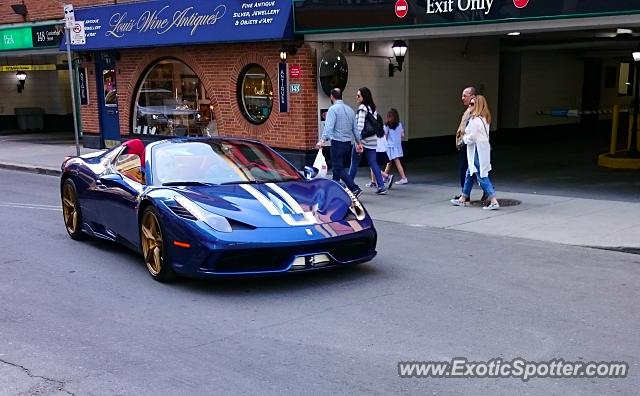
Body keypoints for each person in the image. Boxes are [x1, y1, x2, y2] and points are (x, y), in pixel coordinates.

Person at [451, 95, 500, 210]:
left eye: (472, 104)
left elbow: (472, 136)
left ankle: (493, 200)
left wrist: (463, 140)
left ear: (478, 105)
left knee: (481, 175)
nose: (470, 106)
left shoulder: (475, 120)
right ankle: (463, 197)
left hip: (476, 150)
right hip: (483, 149)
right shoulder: (485, 118)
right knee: (470, 172)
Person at [316, 88, 363, 197]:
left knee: (338, 168)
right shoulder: (350, 110)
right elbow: (355, 129)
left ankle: (354, 188)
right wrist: (359, 143)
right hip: (348, 144)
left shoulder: (333, 109)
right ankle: (334, 191)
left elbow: (329, 127)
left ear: (332, 97)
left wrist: (322, 140)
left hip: (337, 143)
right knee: (338, 168)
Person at [347, 87, 389, 195]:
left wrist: (358, 141)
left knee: (354, 163)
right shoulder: (373, 108)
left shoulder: (362, 108)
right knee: (373, 163)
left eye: (358, 95)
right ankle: (381, 186)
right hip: (372, 140)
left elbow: (360, 126)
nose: (356, 97)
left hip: (362, 140)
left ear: (363, 97)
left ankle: (349, 185)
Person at [454, 86, 478, 201]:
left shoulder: (475, 112)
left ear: (472, 97)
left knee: (472, 170)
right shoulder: (469, 110)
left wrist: (463, 141)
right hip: (465, 144)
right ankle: (465, 194)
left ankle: (466, 194)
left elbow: (471, 129)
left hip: (469, 145)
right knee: (469, 170)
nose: (462, 98)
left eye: (465, 95)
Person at [382, 108, 408, 185]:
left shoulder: (386, 125)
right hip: (397, 146)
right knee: (389, 162)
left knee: (394, 162)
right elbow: (402, 135)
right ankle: (385, 177)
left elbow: (385, 136)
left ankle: (404, 178)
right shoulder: (399, 124)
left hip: (390, 146)